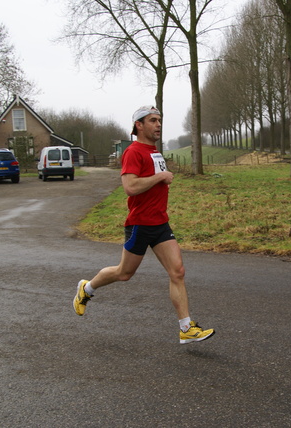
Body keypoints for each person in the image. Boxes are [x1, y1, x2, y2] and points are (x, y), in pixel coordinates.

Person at [73, 105, 215, 345]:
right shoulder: (133, 152)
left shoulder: (154, 151)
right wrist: (161, 177)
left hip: (160, 222)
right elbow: (130, 187)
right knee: (124, 273)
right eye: (152, 120)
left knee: (178, 272)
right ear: (139, 125)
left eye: (159, 120)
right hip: (140, 224)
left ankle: (186, 328)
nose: (158, 124)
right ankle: (87, 289)